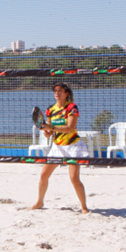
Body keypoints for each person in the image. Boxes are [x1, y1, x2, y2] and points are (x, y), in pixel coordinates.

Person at [30, 82, 89, 214]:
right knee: (44, 175)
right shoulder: (51, 109)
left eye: (60, 90)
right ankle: (40, 202)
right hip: (58, 146)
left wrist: (50, 128)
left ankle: (84, 207)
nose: (57, 93)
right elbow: (50, 132)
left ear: (66, 93)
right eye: (55, 90)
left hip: (73, 146)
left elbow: (70, 128)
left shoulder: (72, 107)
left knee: (74, 178)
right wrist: (47, 131)